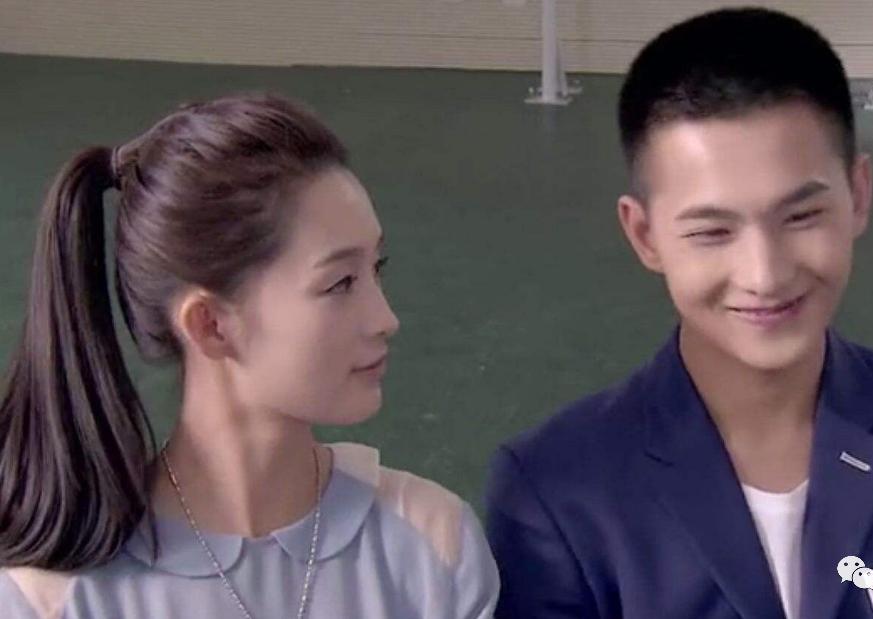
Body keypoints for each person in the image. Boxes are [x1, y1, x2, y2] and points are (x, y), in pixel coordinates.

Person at [485, 8, 873, 618]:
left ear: (859, 195)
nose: (764, 275)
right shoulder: (557, 495)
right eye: (712, 231)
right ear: (644, 235)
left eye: (801, 216)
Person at [0, 93, 499, 618]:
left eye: (377, 269)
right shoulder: (49, 599)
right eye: (340, 283)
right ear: (211, 325)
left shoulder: (434, 549)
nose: (385, 318)